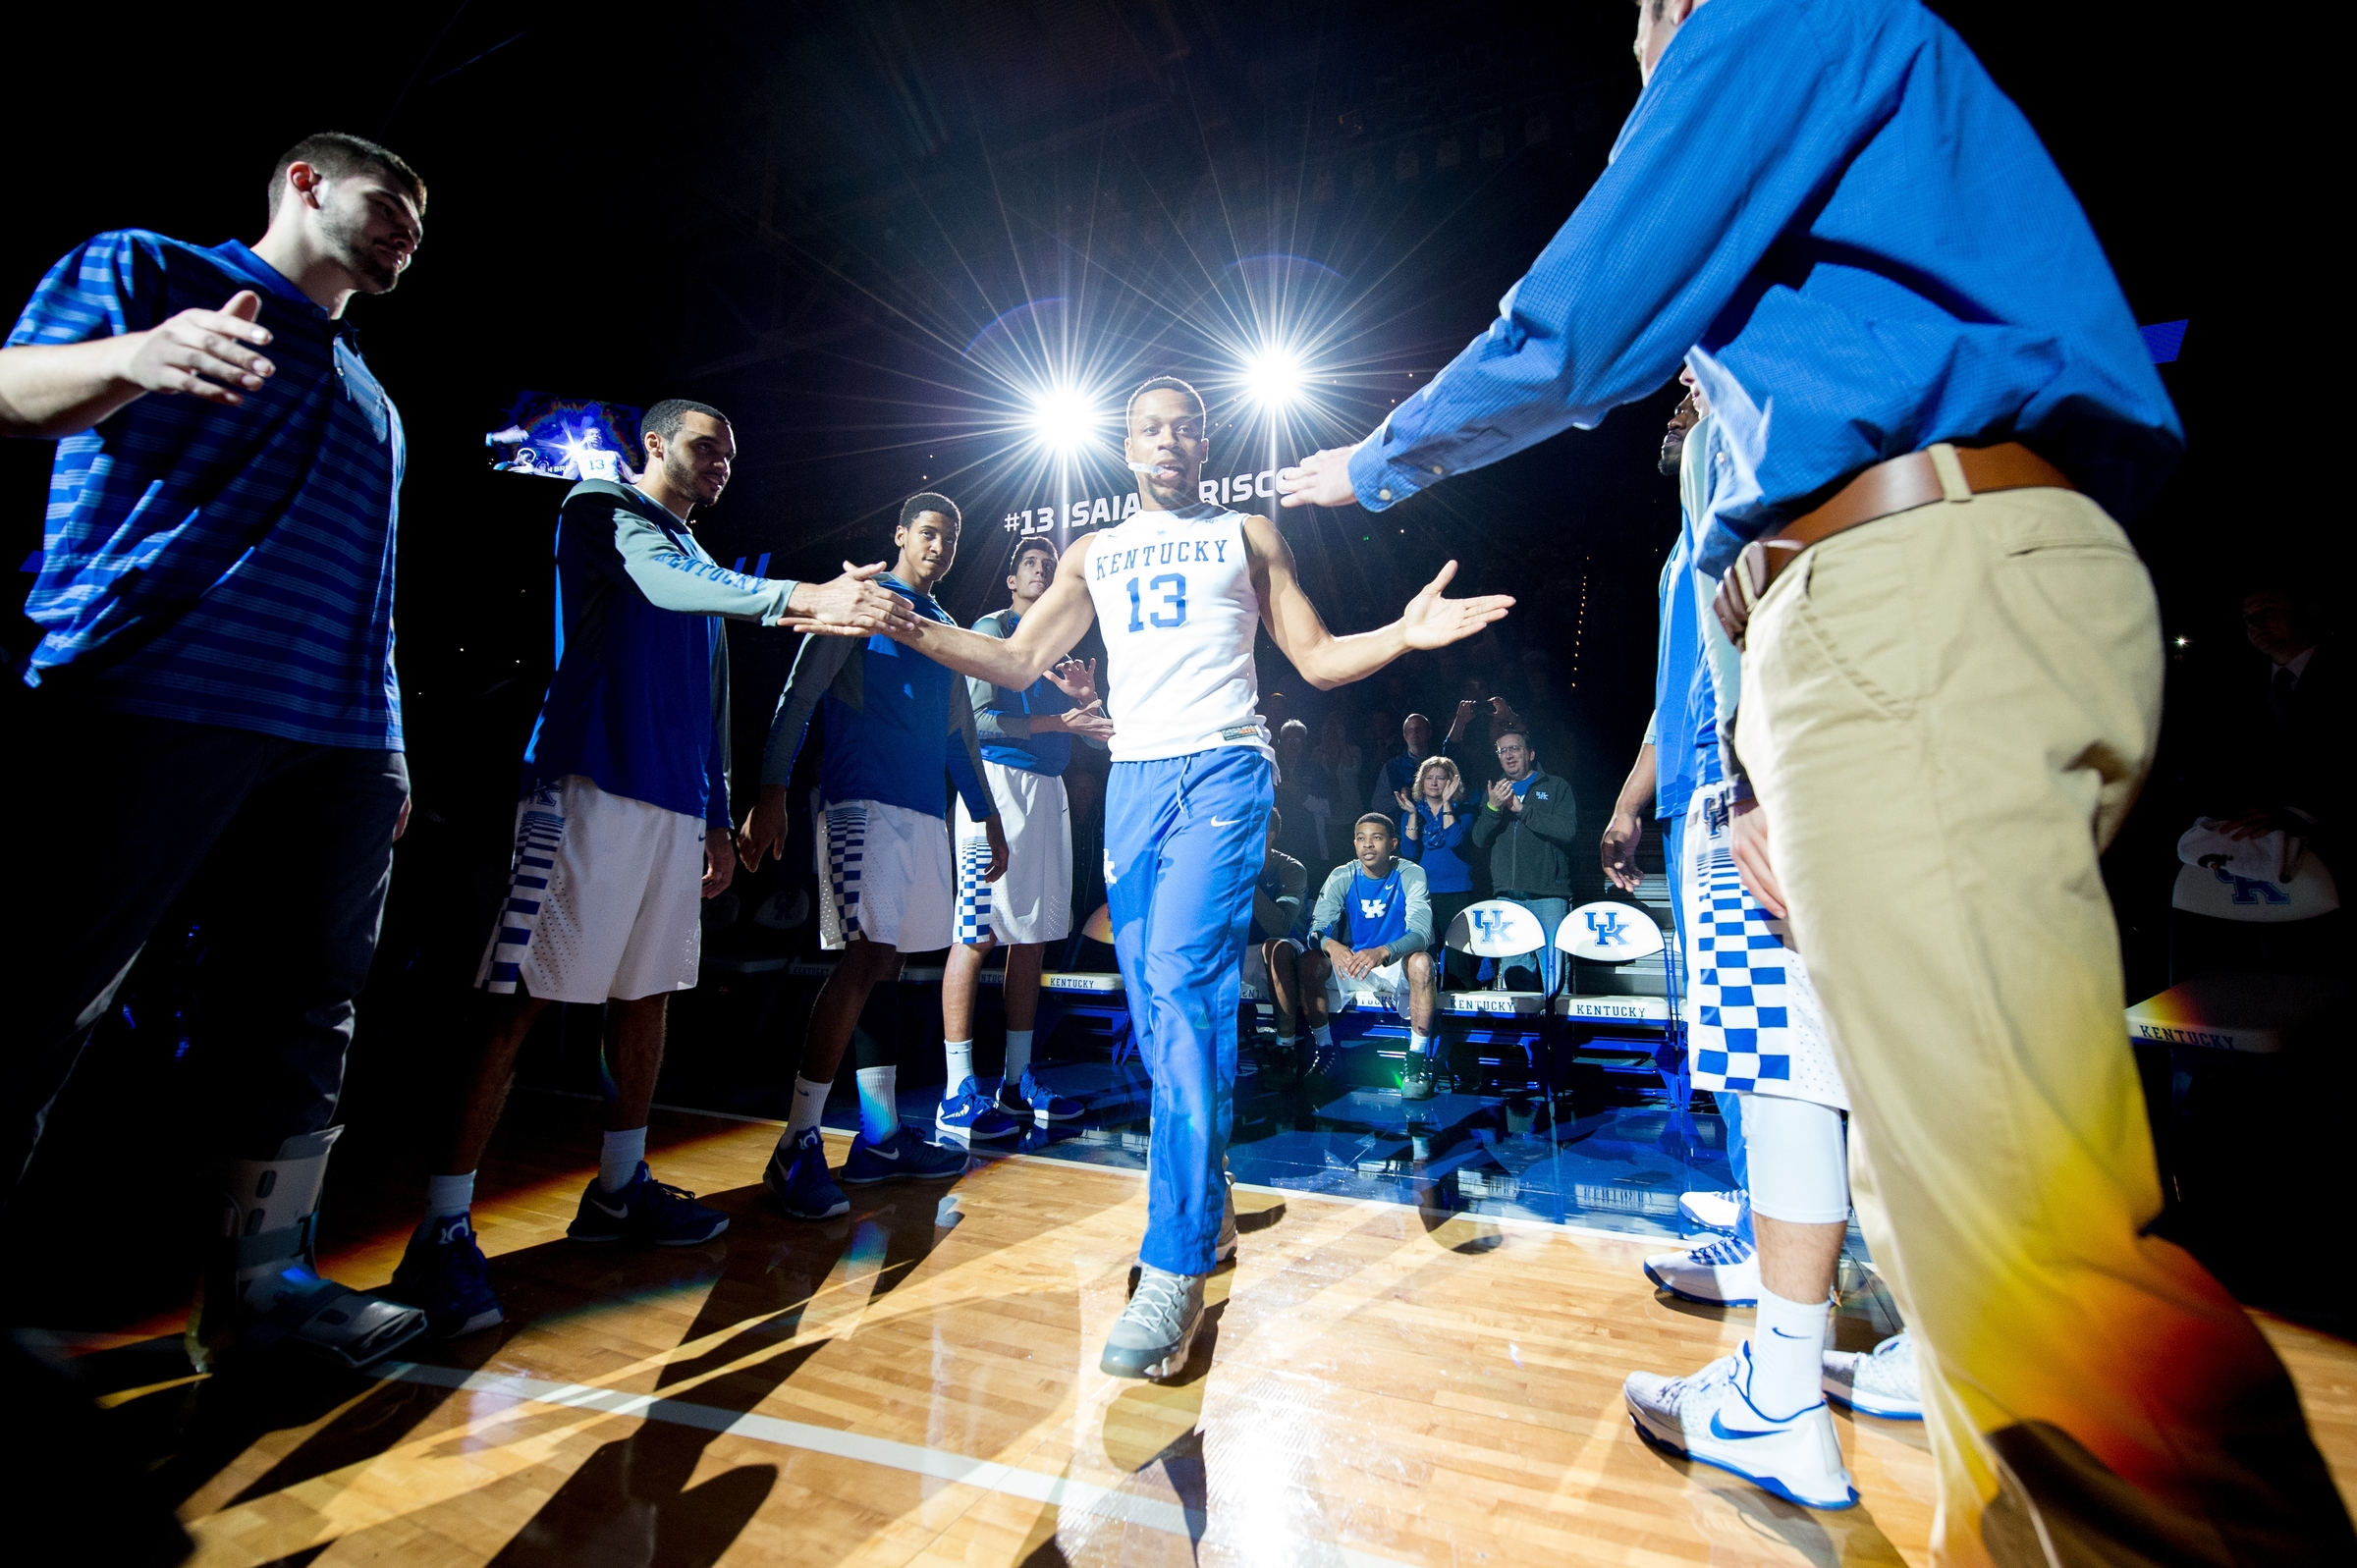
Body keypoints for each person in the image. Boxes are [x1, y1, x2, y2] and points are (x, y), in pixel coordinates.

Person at [1280, 0, 2353, 1555]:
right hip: (1920, 604)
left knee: (2021, 1242)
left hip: (1910, 583)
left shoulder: (1768, 11)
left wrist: (1377, 458)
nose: (1641, 42)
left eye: (1645, 20)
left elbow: (1585, 317)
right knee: (1955, 1223)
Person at [792, 374, 1510, 1380]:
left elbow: (1311, 656)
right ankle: (1209, 1206)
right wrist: (898, 621)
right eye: (1150, 429)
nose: (1169, 441)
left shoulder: (1249, 535)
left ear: (1206, 444)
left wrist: (1401, 631)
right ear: (1126, 448)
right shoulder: (1093, 552)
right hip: (1135, 782)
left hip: (1223, 764)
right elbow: (1011, 662)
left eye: (1187, 428)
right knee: (1185, 1001)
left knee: (1172, 984)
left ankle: (1170, 1264)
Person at [0, 133, 437, 1373]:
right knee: (41, 997)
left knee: (304, 1011)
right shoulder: (146, 267)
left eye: (423, 217)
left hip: (335, 744)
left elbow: (373, 589)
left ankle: (263, 1290)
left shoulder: (377, 401)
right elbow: (8, 386)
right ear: (303, 181)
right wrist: (131, 359)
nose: (411, 223)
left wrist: (387, 743)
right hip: (151, 698)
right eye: (390, 197)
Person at [386, 401, 907, 1333]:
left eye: (732, 456)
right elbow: (666, 588)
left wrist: (716, 813)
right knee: (521, 996)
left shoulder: (701, 560)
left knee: (648, 993)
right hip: (588, 782)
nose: (721, 466)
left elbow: (711, 700)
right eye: (708, 447)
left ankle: (619, 1188)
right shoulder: (601, 508)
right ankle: (441, 1228)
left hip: (673, 807)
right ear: (655, 445)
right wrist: (799, 598)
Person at [739, 494, 1009, 1218]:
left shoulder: (946, 628)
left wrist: (989, 818)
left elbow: (961, 738)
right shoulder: (859, 599)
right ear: (899, 535)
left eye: (950, 536)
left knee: (886, 962)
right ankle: (797, 1141)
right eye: (928, 532)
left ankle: (881, 1138)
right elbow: (800, 693)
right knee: (862, 959)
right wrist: (772, 789)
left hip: (923, 811)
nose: (940, 545)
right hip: (860, 800)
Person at [939, 535, 1112, 1129]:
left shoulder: (1063, 645)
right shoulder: (992, 628)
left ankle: (1017, 1083)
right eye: (1031, 565)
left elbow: (1097, 734)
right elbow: (979, 724)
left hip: (1047, 793)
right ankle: (958, 1087)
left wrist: (1088, 706)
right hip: (994, 790)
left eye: (1049, 565)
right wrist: (1058, 719)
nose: (1041, 572)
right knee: (976, 934)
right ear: (1012, 581)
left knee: (1031, 940)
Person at [1297, 814, 1441, 1099]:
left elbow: (1423, 934)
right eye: (1361, 838)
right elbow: (1315, 930)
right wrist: (1331, 945)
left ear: (1392, 843)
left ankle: (1416, 1060)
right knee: (1310, 962)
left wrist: (1385, 951)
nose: (1368, 844)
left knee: (1423, 962)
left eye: (1376, 837)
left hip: (1395, 964)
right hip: (1358, 962)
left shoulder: (1410, 873)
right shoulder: (1343, 874)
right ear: (1354, 844)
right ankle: (1325, 1051)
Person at [1467, 730, 1579, 993]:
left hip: (1548, 895)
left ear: (1530, 753)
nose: (1508, 755)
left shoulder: (1556, 786)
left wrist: (1520, 809)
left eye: (1514, 748)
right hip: (1508, 896)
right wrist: (1494, 807)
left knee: (1555, 975)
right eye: (1502, 750)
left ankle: (1558, 1031)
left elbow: (1567, 831)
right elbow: (1479, 839)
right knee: (1516, 975)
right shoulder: (1494, 791)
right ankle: (1525, 1031)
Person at [1398, 754, 1476, 986]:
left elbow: (1454, 840)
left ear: (1451, 782)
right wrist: (1412, 815)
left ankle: (1459, 1015)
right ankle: (1425, 1009)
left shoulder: (1465, 811)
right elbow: (1409, 852)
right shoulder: (1413, 812)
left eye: (1440, 778)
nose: (1433, 783)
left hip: (1456, 891)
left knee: (1458, 957)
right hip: (1423, 893)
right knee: (1425, 954)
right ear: (1421, 782)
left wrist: (1447, 804)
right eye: (1429, 778)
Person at [1249, 809, 1312, 1056]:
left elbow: (1281, 927)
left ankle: (1286, 1046)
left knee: (1275, 947)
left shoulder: (1291, 869)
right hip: (1241, 950)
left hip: (1288, 952)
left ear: (1270, 835)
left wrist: (1246, 882)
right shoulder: (1225, 867)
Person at [1368, 712, 1437, 813]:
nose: (1414, 732)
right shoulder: (1392, 766)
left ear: (1429, 733)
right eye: (1410, 730)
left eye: (1419, 729)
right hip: (1403, 825)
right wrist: (1399, 798)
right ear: (1405, 736)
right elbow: (1377, 804)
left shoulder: (1439, 764)